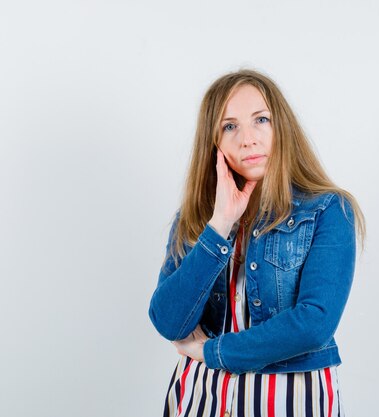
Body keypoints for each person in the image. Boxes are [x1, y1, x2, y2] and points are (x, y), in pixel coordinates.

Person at [148, 69, 366, 417]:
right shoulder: (196, 217)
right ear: (214, 142)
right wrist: (219, 224)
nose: (247, 139)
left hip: (288, 400)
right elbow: (169, 322)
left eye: (260, 120)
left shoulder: (328, 210)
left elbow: (314, 323)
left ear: (282, 127)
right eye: (229, 126)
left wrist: (213, 352)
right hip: (200, 398)